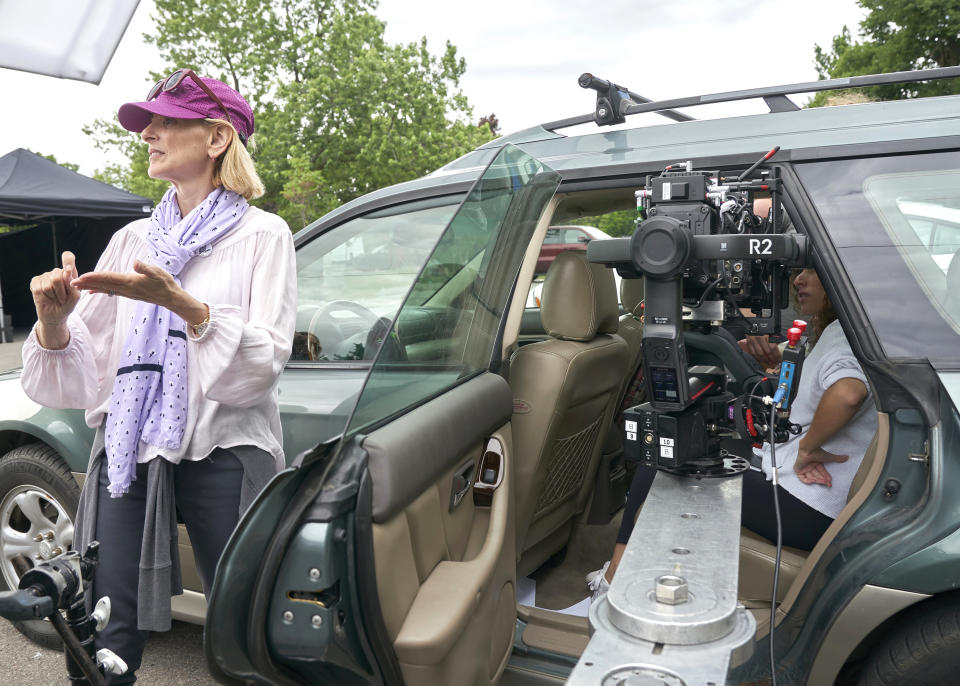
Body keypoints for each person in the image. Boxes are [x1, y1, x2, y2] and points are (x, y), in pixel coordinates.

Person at [20, 69, 296, 683]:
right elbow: (90, 367)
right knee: (103, 620)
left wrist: (186, 307)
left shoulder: (263, 236)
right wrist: (55, 325)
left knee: (242, 616)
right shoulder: (132, 239)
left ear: (218, 137)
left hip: (223, 445)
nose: (148, 133)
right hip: (131, 443)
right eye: (149, 122)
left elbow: (262, 365)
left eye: (167, 120)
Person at [588, 267, 876, 599]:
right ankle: (623, 570)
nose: (799, 280)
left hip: (806, 505)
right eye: (800, 270)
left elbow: (848, 393)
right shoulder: (844, 331)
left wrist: (808, 449)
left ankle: (612, 580)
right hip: (801, 489)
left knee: (663, 457)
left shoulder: (844, 338)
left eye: (813, 270)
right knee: (677, 453)